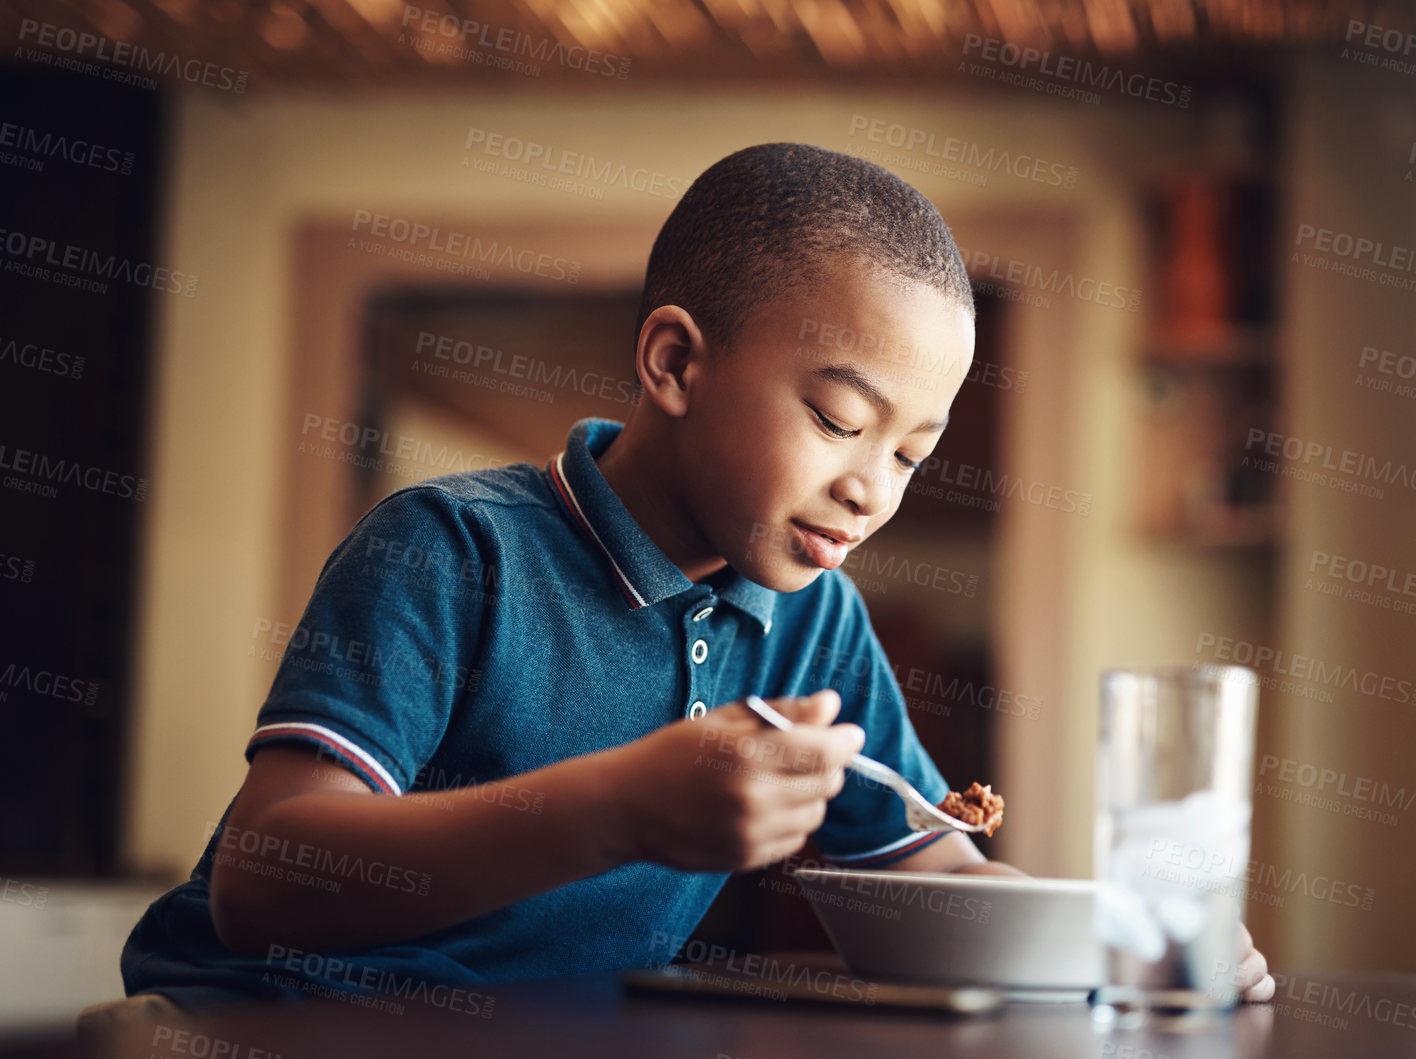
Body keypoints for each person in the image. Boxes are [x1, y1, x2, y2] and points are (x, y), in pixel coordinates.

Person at [119, 142, 1273, 1006]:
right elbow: (266, 882)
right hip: (272, 1045)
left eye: (912, 454)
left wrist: (1138, 927)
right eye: (837, 418)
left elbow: (933, 859)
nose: (874, 488)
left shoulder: (813, 619)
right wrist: (621, 808)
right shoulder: (450, 549)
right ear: (675, 362)